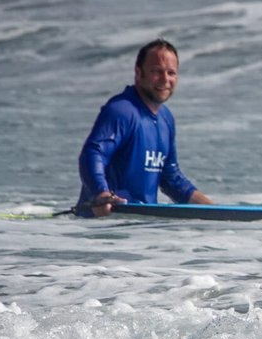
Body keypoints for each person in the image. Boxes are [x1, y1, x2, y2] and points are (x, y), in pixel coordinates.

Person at [76, 39, 214, 217]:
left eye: (171, 73)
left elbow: (170, 178)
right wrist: (101, 194)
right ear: (138, 73)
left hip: (143, 229)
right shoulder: (122, 111)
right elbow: (93, 153)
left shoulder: (166, 119)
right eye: (156, 71)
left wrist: (213, 208)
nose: (165, 79)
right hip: (105, 228)